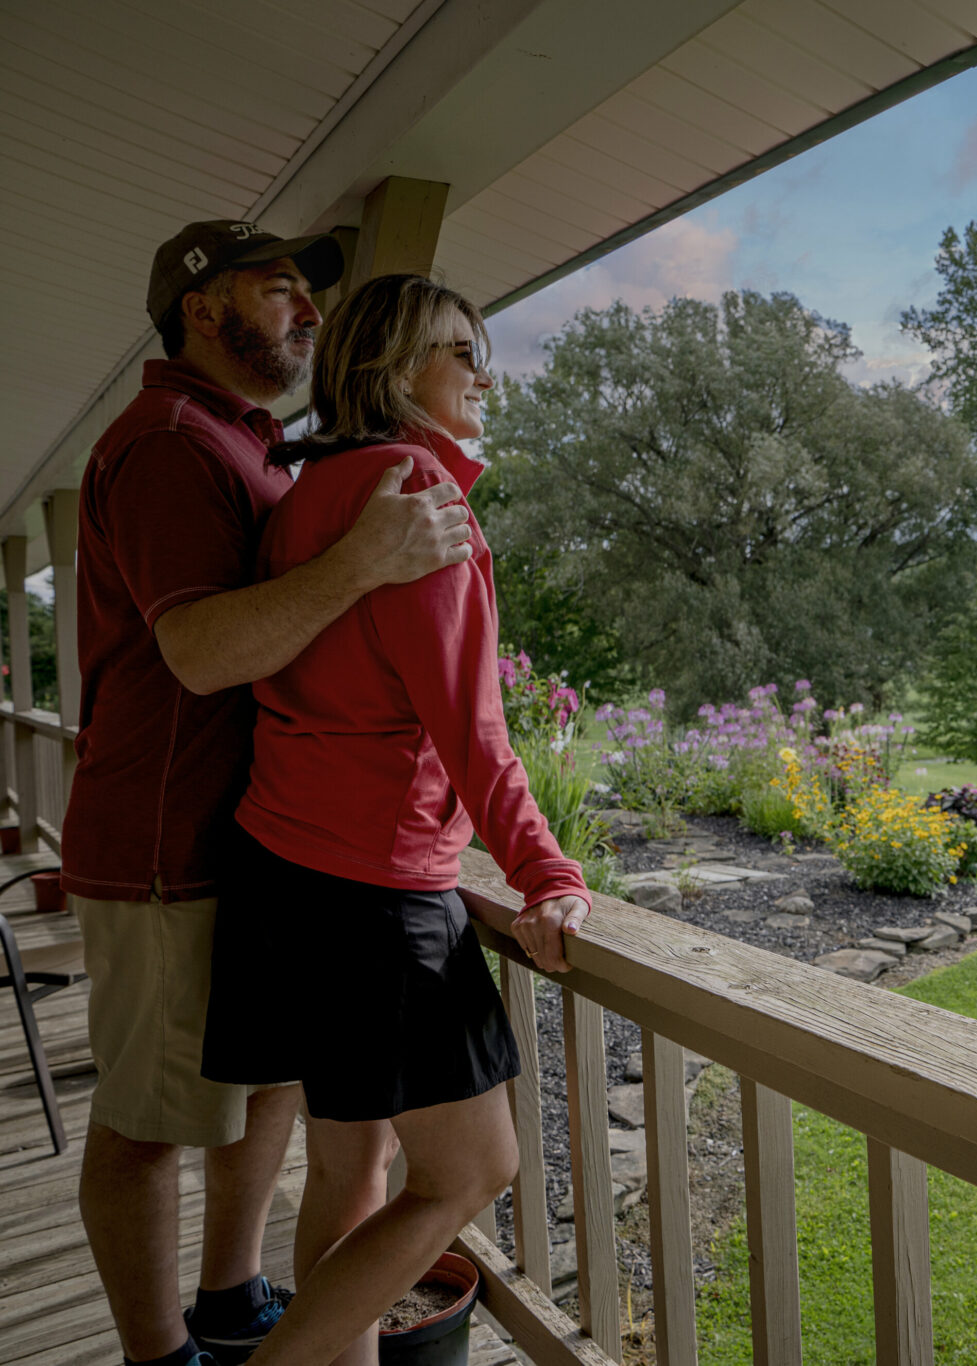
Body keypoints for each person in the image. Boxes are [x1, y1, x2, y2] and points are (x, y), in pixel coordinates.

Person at [68, 221, 481, 1366]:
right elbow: (199, 650)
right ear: (203, 311)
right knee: (150, 1121)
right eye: (280, 289)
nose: (306, 311)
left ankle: (232, 1293)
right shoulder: (167, 443)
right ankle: (163, 1357)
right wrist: (364, 559)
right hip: (164, 844)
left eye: (310, 294)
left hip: (259, 841)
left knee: (267, 1088)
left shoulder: (255, 445)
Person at [200, 272, 590, 1366]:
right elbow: (473, 729)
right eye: (461, 351)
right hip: (373, 891)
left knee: (350, 1169)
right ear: (390, 369)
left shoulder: (306, 496)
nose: (485, 372)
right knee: (469, 1169)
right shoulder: (418, 496)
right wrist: (546, 872)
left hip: (279, 871)